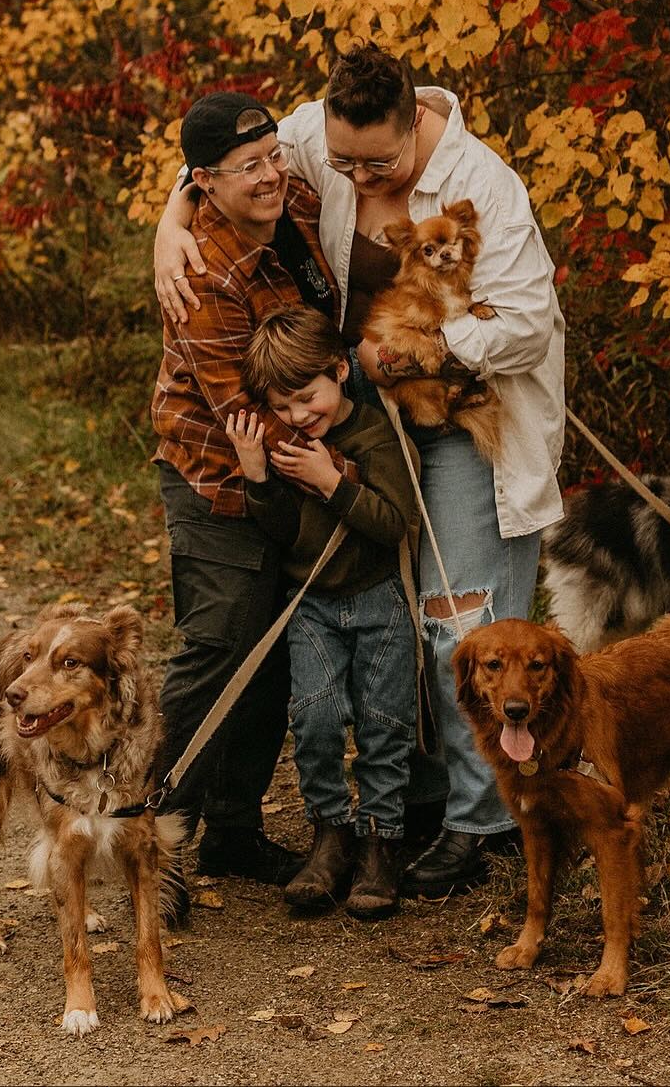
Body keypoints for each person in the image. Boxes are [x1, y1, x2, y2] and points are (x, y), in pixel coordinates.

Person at [155, 45, 565, 895]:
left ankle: (479, 821)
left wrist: (420, 349)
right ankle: (415, 798)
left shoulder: (483, 183)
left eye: (375, 161)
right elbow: (222, 168)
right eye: (340, 160)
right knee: (402, 621)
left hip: (463, 423)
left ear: (413, 119)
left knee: (461, 616)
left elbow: (529, 322)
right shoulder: (317, 136)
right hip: (365, 420)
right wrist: (172, 222)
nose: (352, 172)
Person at [151, 89, 361, 887]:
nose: (273, 175)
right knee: (220, 648)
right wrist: (339, 464)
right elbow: (235, 411)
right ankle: (156, 830)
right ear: (205, 180)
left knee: (273, 655)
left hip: (291, 471)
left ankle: (233, 832)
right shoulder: (202, 271)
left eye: (274, 156)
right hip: (215, 473)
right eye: (250, 169)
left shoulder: (297, 199)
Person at [226, 305, 417, 920]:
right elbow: (285, 533)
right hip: (310, 606)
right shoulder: (292, 447)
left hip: (378, 601)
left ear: (340, 371)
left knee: (384, 725)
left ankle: (382, 844)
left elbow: (394, 525)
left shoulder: (374, 436)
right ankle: (330, 837)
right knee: (313, 721)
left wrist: (332, 481)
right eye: (282, 409)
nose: (299, 417)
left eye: (308, 398)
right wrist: (259, 478)